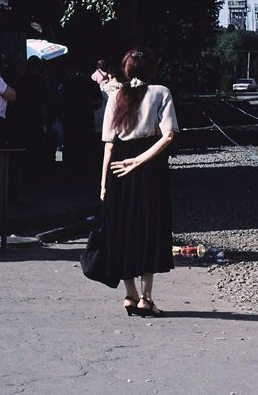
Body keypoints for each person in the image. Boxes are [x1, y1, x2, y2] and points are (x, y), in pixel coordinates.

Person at [100, 48, 178, 317]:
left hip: (118, 166)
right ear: (151, 70)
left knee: (123, 228)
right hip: (149, 167)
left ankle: (129, 295)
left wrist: (103, 184)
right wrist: (140, 160)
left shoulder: (115, 96)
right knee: (148, 227)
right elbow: (167, 136)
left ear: (125, 70)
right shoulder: (161, 92)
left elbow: (109, 145)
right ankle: (146, 298)